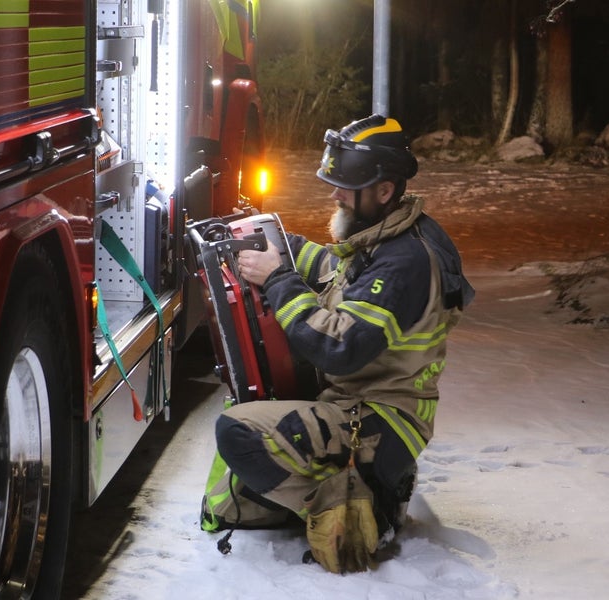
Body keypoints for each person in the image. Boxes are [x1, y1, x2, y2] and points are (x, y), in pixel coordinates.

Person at [199, 114, 475, 573]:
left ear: (384, 190)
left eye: (345, 185)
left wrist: (279, 280)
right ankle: (374, 483)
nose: (334, 194)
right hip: (378, 407)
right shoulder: (393, 233)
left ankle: (356, 511)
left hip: (379, 417)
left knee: (238, 431)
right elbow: (334, 269)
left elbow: (339, 350)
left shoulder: (403, 261)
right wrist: (275, 244)